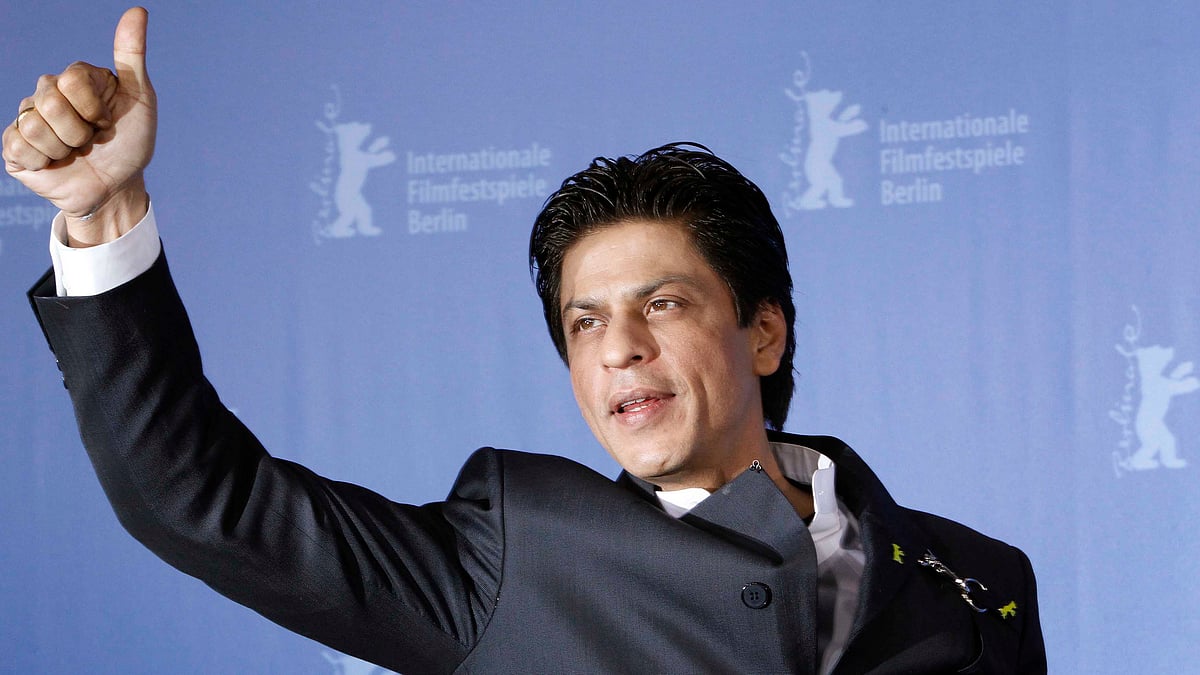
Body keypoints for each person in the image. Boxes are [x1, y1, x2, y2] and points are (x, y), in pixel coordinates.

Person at [6, 8, 1046, 674]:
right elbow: (200, 503)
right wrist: (105, 214)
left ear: (763, 331)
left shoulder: (978, 577)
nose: (618, 349)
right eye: (584, 322)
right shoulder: (518, 554)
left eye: (665, 305)